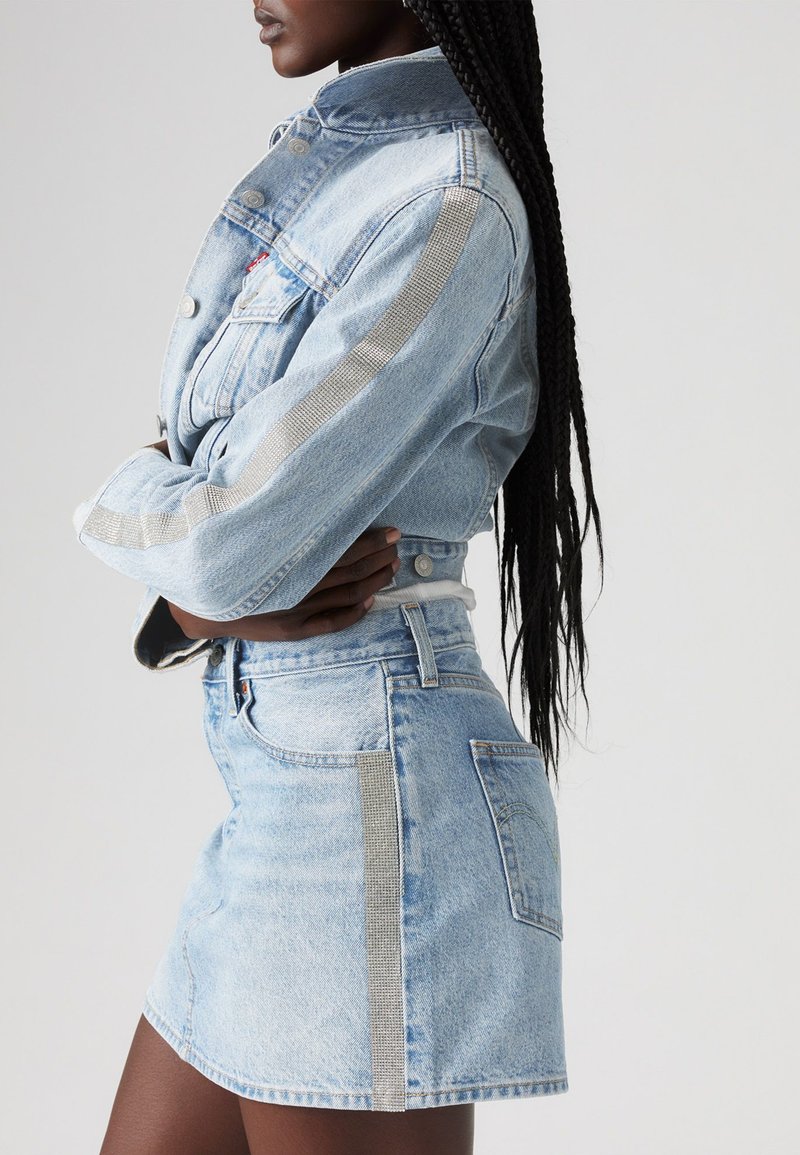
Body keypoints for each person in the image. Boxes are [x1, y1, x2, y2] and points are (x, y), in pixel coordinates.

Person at [74, 2, 603, 1152]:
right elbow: (230, 554)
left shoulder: (446, 204)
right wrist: (201, 593)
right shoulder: (338, 170)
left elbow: (230, 539)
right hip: (282, 791)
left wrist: (134, 504)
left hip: (374, 817)